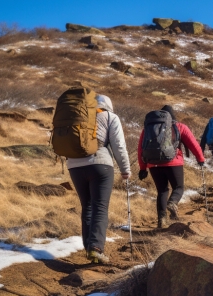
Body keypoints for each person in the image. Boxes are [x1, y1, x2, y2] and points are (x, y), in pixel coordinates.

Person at [67, 94, 130, 264]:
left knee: (86, 206)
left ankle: (89, 248)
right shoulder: (109, 116)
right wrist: (125, 170)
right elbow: (118, 145)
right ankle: (96, 249)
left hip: (74, 166)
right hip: (100, 164)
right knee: (100, 207)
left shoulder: (77, 116)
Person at [137, 105, 205, 229]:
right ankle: (173, 203)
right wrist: (200, 158)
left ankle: (162, 220)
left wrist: (143, 168)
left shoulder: (148, 129)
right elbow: (193, 144)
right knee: (178, 188)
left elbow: (141, 149)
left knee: (162, 191)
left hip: (153, 164)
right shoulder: (179, 127)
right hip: (173, 162)